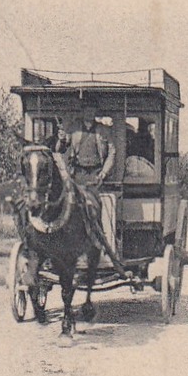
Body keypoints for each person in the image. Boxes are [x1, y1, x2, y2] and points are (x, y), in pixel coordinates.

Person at [65, 107, 120, 265]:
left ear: (95, 113)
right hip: (78, 174)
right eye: (86, 109)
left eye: (92, 110)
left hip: (95, 175)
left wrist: (104, 172)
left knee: (95, 205)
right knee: (71, 206)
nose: (89, 113)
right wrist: (62, 139)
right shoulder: (74, 129)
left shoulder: (103, 131)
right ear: (83, 112)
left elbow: (112, 152)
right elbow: (61, 147)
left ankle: (99, 236)